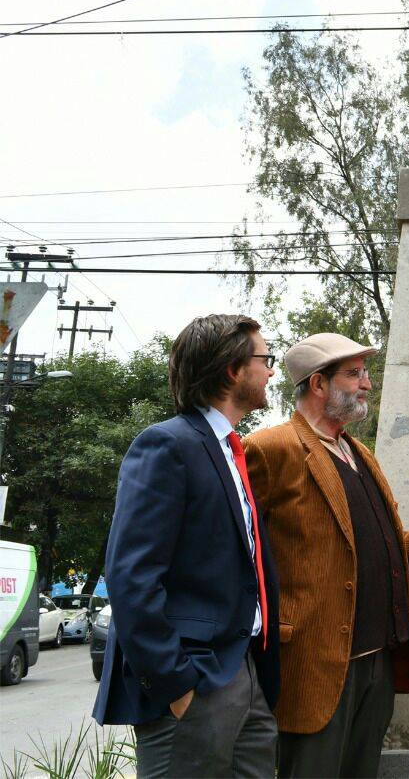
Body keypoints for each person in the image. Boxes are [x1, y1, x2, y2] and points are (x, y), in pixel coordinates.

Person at [92, 315, 280, 778]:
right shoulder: (167, 445)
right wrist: (175, 683)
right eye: (265, 359)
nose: (272, 371)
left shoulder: (231, 452)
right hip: (195, 679)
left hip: (246, 673)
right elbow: (131, 575)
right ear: (233, 370)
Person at [243, 333, 409, 778]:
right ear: (318, 385)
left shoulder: (358, 453)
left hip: (378, 661)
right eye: (354, 373)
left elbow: (384, 540)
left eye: (364, 372)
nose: (367, 383)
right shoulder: (272, 449)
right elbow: (237, 549)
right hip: (314, 665)